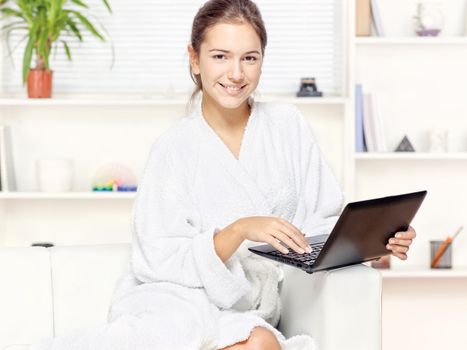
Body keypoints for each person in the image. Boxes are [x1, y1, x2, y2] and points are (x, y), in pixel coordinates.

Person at [32, 0, 416, 349]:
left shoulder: (287, 127)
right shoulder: (174, 147)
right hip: (176, 297)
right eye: (220, 56)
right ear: (195, 59)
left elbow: (319, 222)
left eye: (250, 58)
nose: (236, 73)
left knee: (262, 341)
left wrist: (373, 242)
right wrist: (238, 230)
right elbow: (157, 258)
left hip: (248, 304)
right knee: (190, 335)